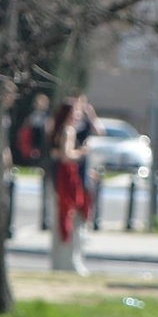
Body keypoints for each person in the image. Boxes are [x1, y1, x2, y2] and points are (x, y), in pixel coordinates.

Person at [45, 97, 94, 273]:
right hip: (66, 178)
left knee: (60, 220)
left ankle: (58, 262)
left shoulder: (56, 129)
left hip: (58, 178)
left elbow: (56, 154)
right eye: (75, 112)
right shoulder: (68, 131)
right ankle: (69, 263)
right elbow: (66, 156)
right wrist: (81, 152)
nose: (78, 115)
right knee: (70, 219)